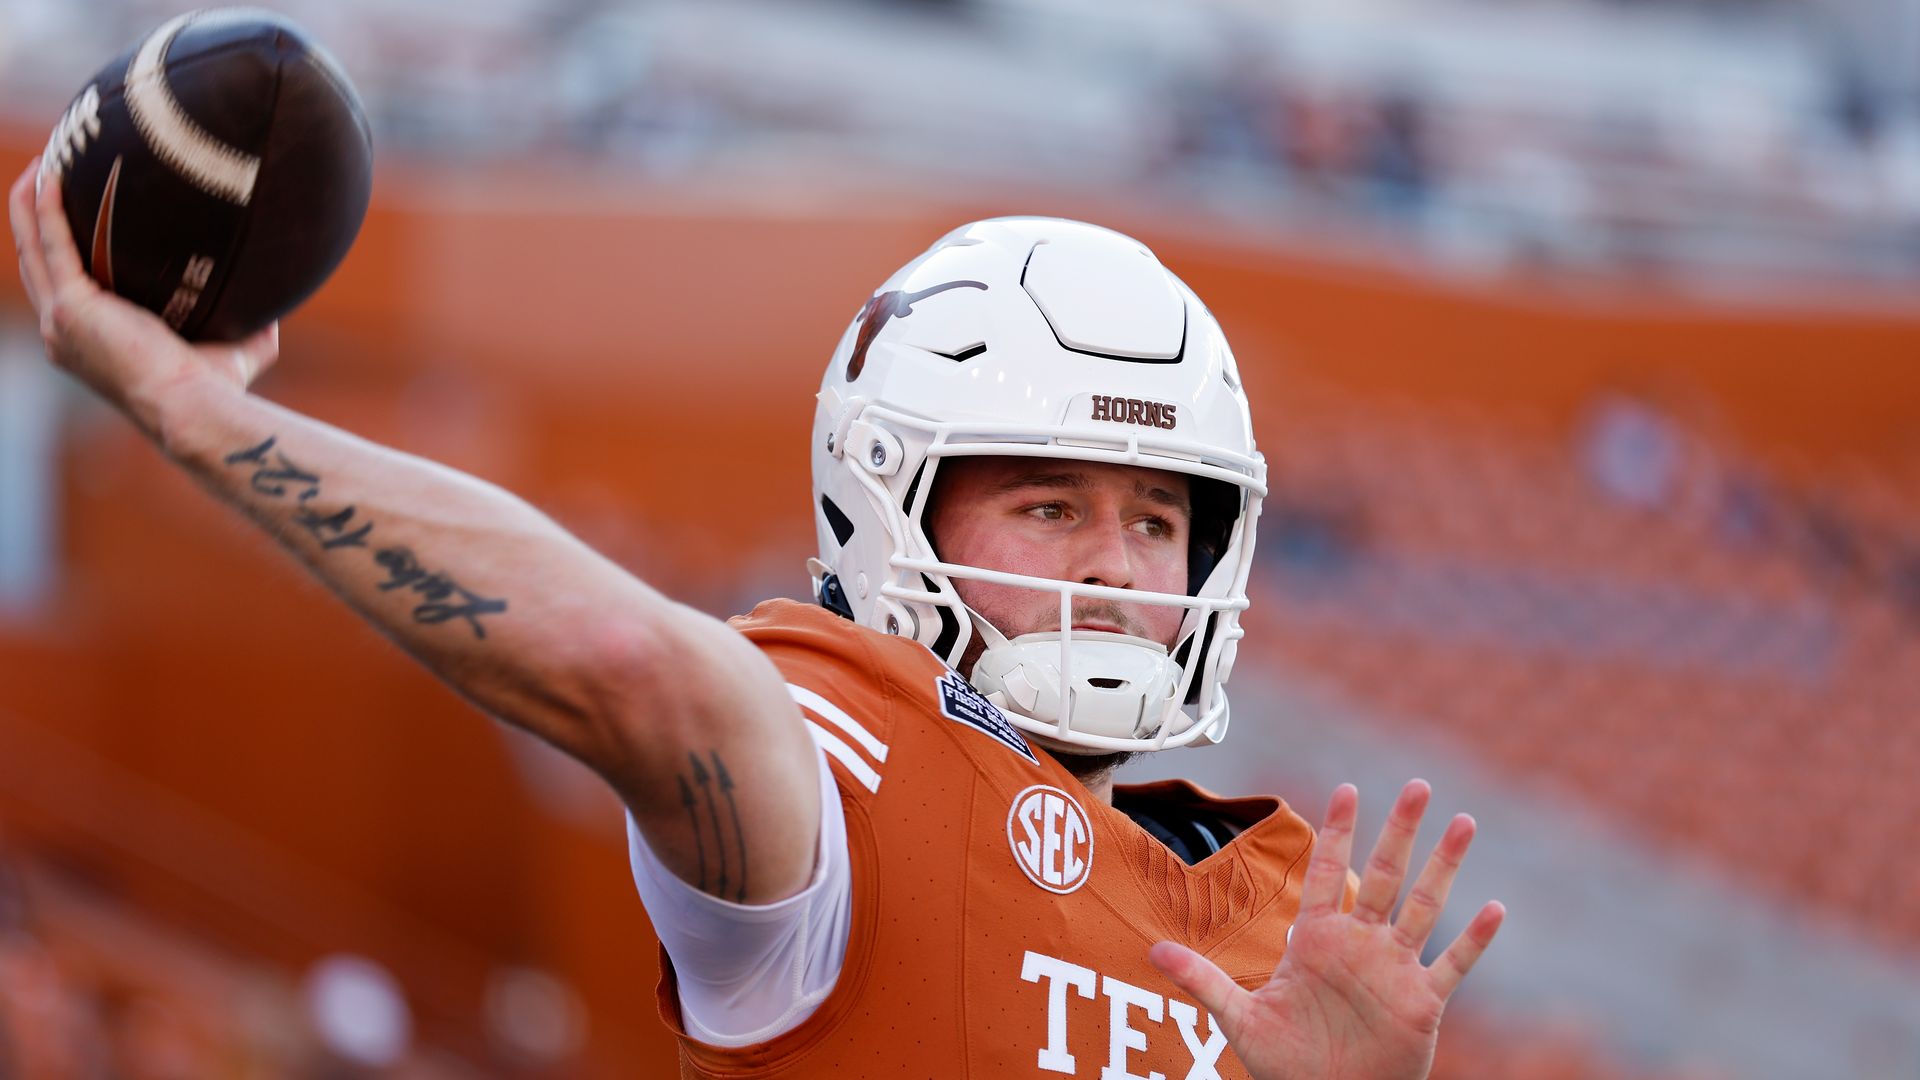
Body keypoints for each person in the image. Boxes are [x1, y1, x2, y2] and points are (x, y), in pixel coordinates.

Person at [11, 162, 1502, 1078]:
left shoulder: (1282, 916)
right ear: (888, 505)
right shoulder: (842, 782)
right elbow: (620, 658)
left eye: (1158, 520)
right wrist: (202, 414)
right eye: (1049, 506)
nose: (1117, 570)